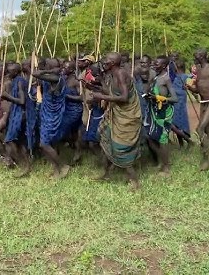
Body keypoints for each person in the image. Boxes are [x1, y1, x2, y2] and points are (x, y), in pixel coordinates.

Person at [91, 52, 142, 190]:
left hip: (127, 117)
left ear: (112, 63)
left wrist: (101, 96)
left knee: (120, 148)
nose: (103, 62)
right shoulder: (113, 74)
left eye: (106, 61)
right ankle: (106, 173)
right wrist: (99, 88)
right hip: (115, 115)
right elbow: (113, 93)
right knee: (104, 137)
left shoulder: (120, 74)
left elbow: (124, 98)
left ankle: (135, 182)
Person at [33, 59, 71, 179]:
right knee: (49, 143)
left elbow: (36, 74)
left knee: (44, 144)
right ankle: (56, 170)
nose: (45, 67)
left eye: (47, 65)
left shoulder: (56, 78)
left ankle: (62, 166)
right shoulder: (50, 78)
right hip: (47, 113)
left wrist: (47, 71)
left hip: (52, 116)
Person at [146, 55, 178, 176]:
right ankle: (162, 161)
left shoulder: (166, 79)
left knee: (162, 139)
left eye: (157, 63)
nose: (154, 65)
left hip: (164, 113)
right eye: (154, 62)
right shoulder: (155, 77)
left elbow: (175, 98)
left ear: (164, 66)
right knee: (150, 137)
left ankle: (166, 168)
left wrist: (159, 98)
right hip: (154, 111)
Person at [2, 62, 30, 177]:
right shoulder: (16, 81)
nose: (7, 73)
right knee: (17, 141)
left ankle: (24, 165)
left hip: (20, 115)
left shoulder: (19, 82)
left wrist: (7, 96)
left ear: (15, 72)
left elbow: (22, 101)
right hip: (17, 114)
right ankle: (24, 165)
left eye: (10, 71)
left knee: (11, 139)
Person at [59, 61, 84, 165]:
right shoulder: (63, 79)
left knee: (61, 131)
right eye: (63, 67)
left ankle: (63, 158)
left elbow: (81, 97)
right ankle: (76, 154)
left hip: (74, 110)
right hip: (65, 109)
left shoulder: (76, 81)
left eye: (66, 67)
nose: (63, 69)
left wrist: (66, 96)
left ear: (72, 70)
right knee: (74, 133)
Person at [169, 58, 191, 148]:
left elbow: (190, 85)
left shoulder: (185, 77)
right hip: (174, 102)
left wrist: (187, 87)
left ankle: (187, 141)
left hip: (180, 102)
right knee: (175, 123)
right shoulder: (173, 77)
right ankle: (181, 143)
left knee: (178, 122)